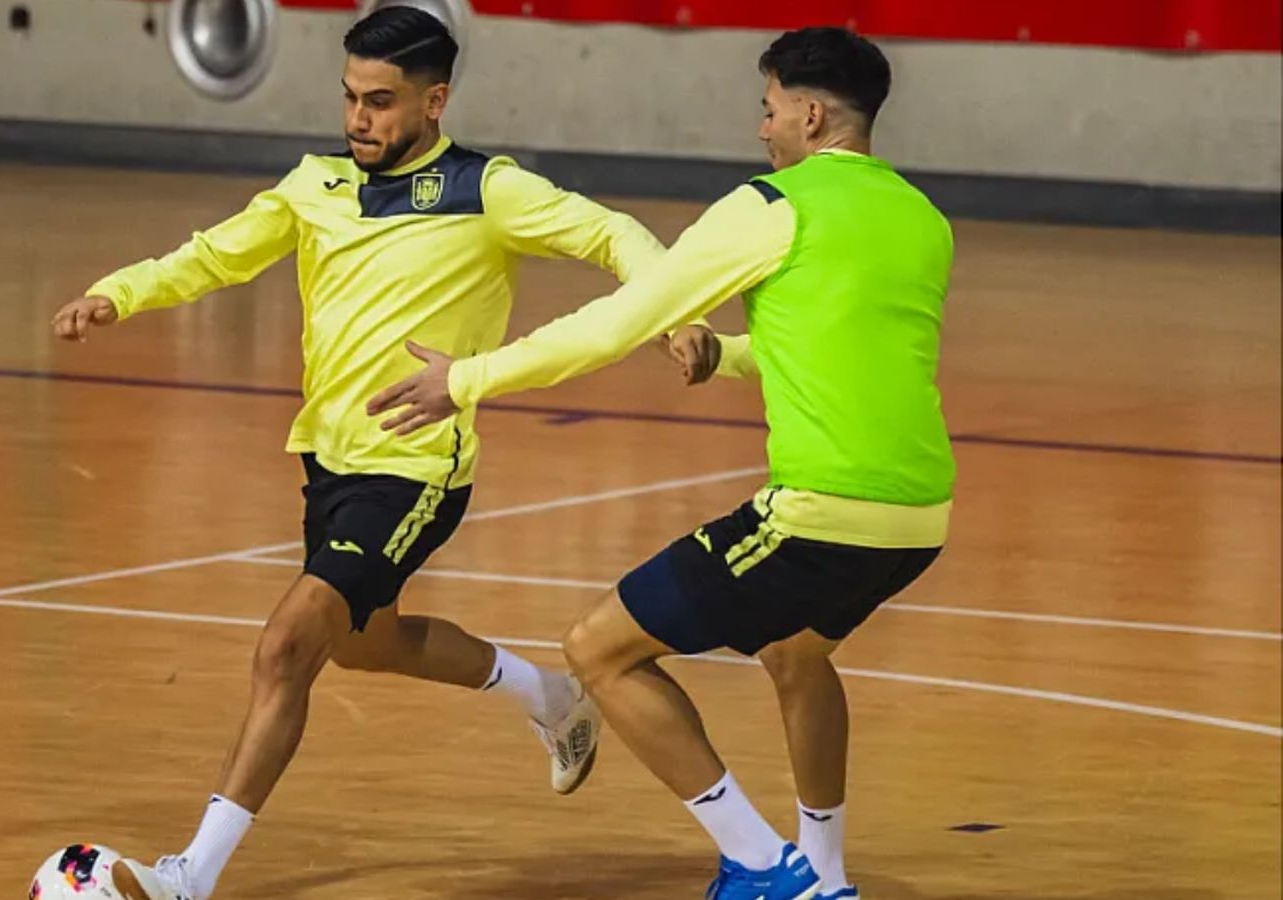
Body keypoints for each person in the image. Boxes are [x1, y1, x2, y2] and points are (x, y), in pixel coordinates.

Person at [48, 7, 707, 900]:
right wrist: (115, 295)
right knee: (366, 644)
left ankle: (187, 878)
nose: (360, 119)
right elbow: (215, 259)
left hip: (415, 470)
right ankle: (550, 698)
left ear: (435, 102)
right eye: (352, 98)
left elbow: (612, 233)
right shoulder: (314, 185)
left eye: (383, 103)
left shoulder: (488, 189)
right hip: (328, 461)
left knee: (289, 647)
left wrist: (676, 309)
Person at [370, 26, 954, 900]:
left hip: (821, 512)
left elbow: (616, 325)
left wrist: (469, 378)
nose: (761, 131)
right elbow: (849, 352)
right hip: (918, 518)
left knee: (598, 650)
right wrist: (726, 354)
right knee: (798, 656)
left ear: (810, 112)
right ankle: (826, 879)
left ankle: (764, 868)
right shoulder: (924, 220)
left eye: (768, 111)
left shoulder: (773, 206)